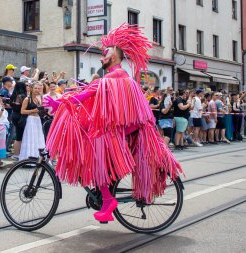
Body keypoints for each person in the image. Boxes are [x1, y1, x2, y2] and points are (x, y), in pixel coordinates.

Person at [43, 24, 182, 223]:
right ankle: (104, 196)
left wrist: (60, 102)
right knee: (95, 150)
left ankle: (108, 201)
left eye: (105, 53)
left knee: (94, 158)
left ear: (114, 57)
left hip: (120, 131)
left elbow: (86, 93)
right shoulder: (121, 76)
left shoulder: (113, 77)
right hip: (128, 130)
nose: (101, 57)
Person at [19, 83, 45, 160]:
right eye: (35, 88)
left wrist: (41, 96)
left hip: (37, 120)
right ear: (31, 89)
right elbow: (22, 111)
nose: (37, 90)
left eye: (38, 88)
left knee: (38, 138)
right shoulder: (27, 99)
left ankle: (38, 157)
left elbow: (43, 106)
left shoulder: (37, 99)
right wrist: (33, 110)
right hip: (31, 120)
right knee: (31, 138)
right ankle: (29, 157)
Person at [10, 82, 27, 160]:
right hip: (21, 117)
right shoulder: (22, 96)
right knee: (20, 137)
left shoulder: (13, 96)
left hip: (14, 115)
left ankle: (16, 154)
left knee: (18, 136)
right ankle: (18, 154)